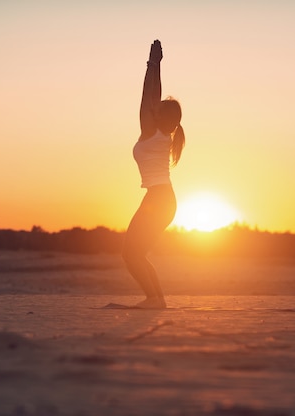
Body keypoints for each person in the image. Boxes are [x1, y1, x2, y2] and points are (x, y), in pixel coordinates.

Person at [122, 40, 185, 309]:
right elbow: (152, 98)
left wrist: (153, 64)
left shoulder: (152, 131)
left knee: (130, 253)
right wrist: (155, 65)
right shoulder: (164, 133)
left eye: (156, 108)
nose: (151, 107)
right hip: (162, 199)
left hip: (160, 200)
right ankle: (156, 299)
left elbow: (147, 94)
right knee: (134, 253)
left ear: (159, 116)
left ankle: (155, 300)